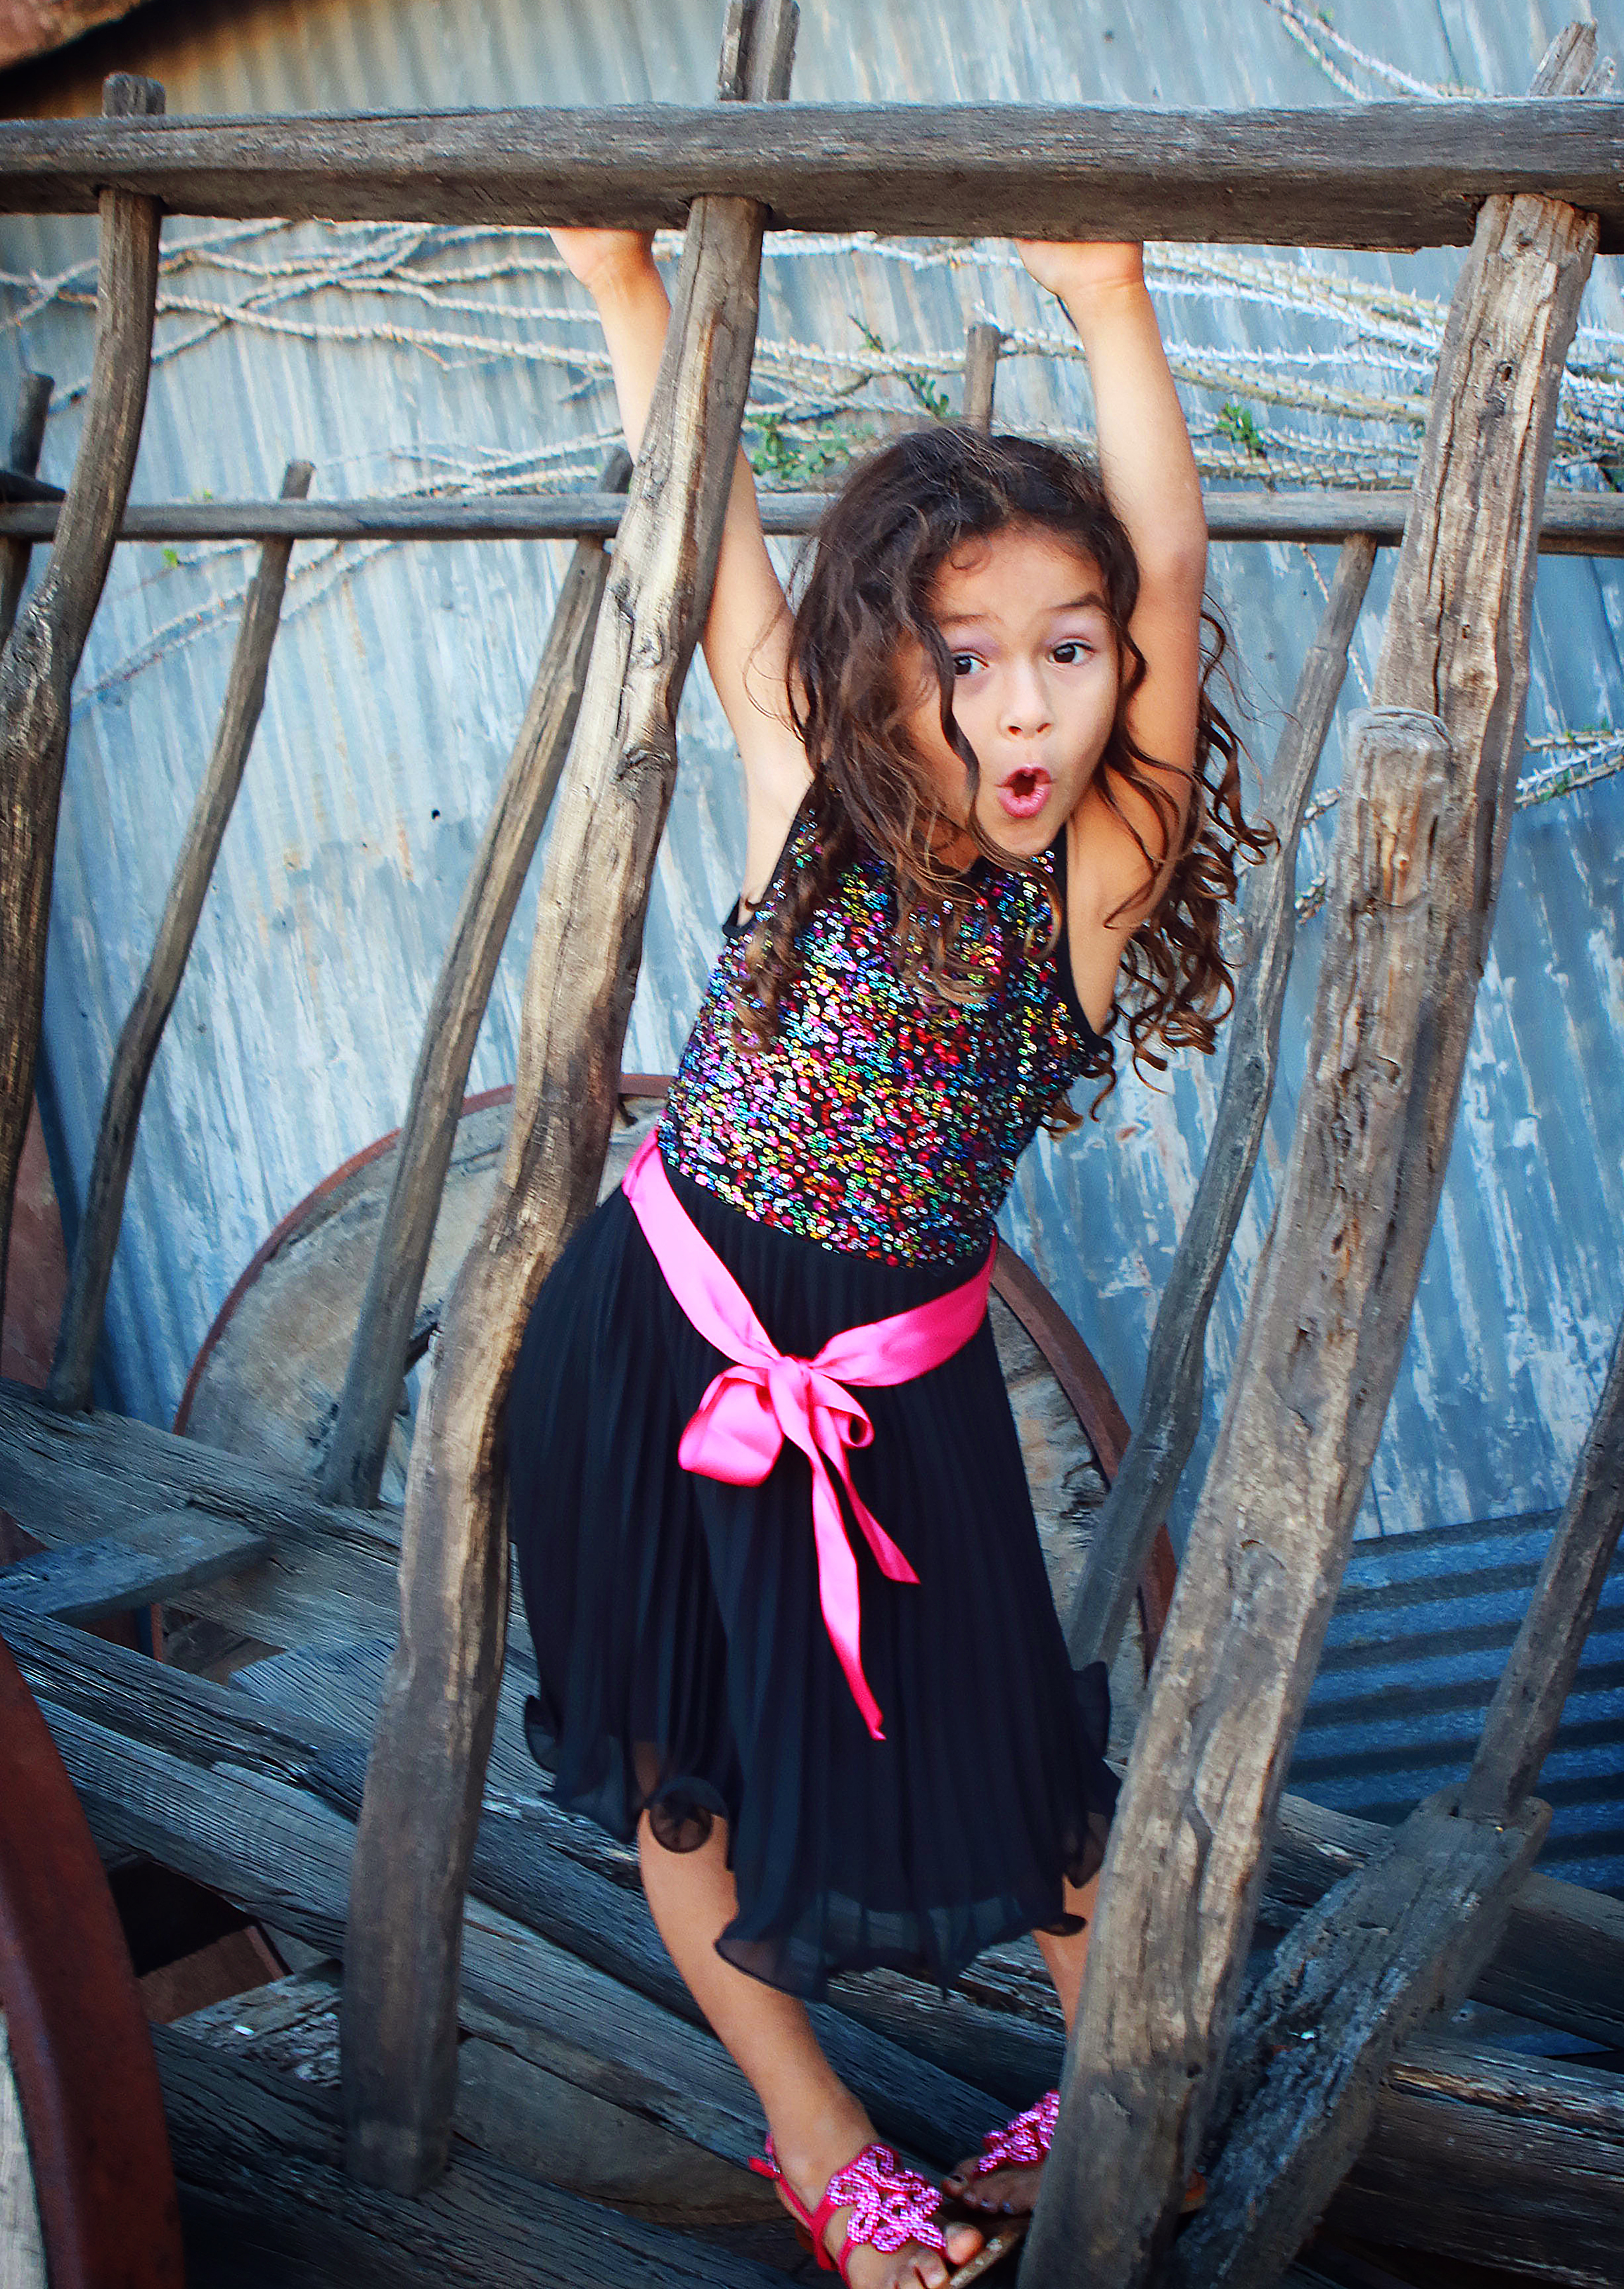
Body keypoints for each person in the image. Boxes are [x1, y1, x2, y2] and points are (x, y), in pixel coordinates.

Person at [505, 226, 1264, 2288]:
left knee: (1019, 1762)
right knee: (685, 1774)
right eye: (964, 656)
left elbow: (1174, 573)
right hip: (650, 1329)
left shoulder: (1093, 872)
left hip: (892, 1388)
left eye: (1067, 648)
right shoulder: (798, 795)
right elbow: (706, 533)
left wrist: (1110, 294)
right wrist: (624, 287)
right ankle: (817, 2138)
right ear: (872, 674)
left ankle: (1115, 2103)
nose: (1025, 703)